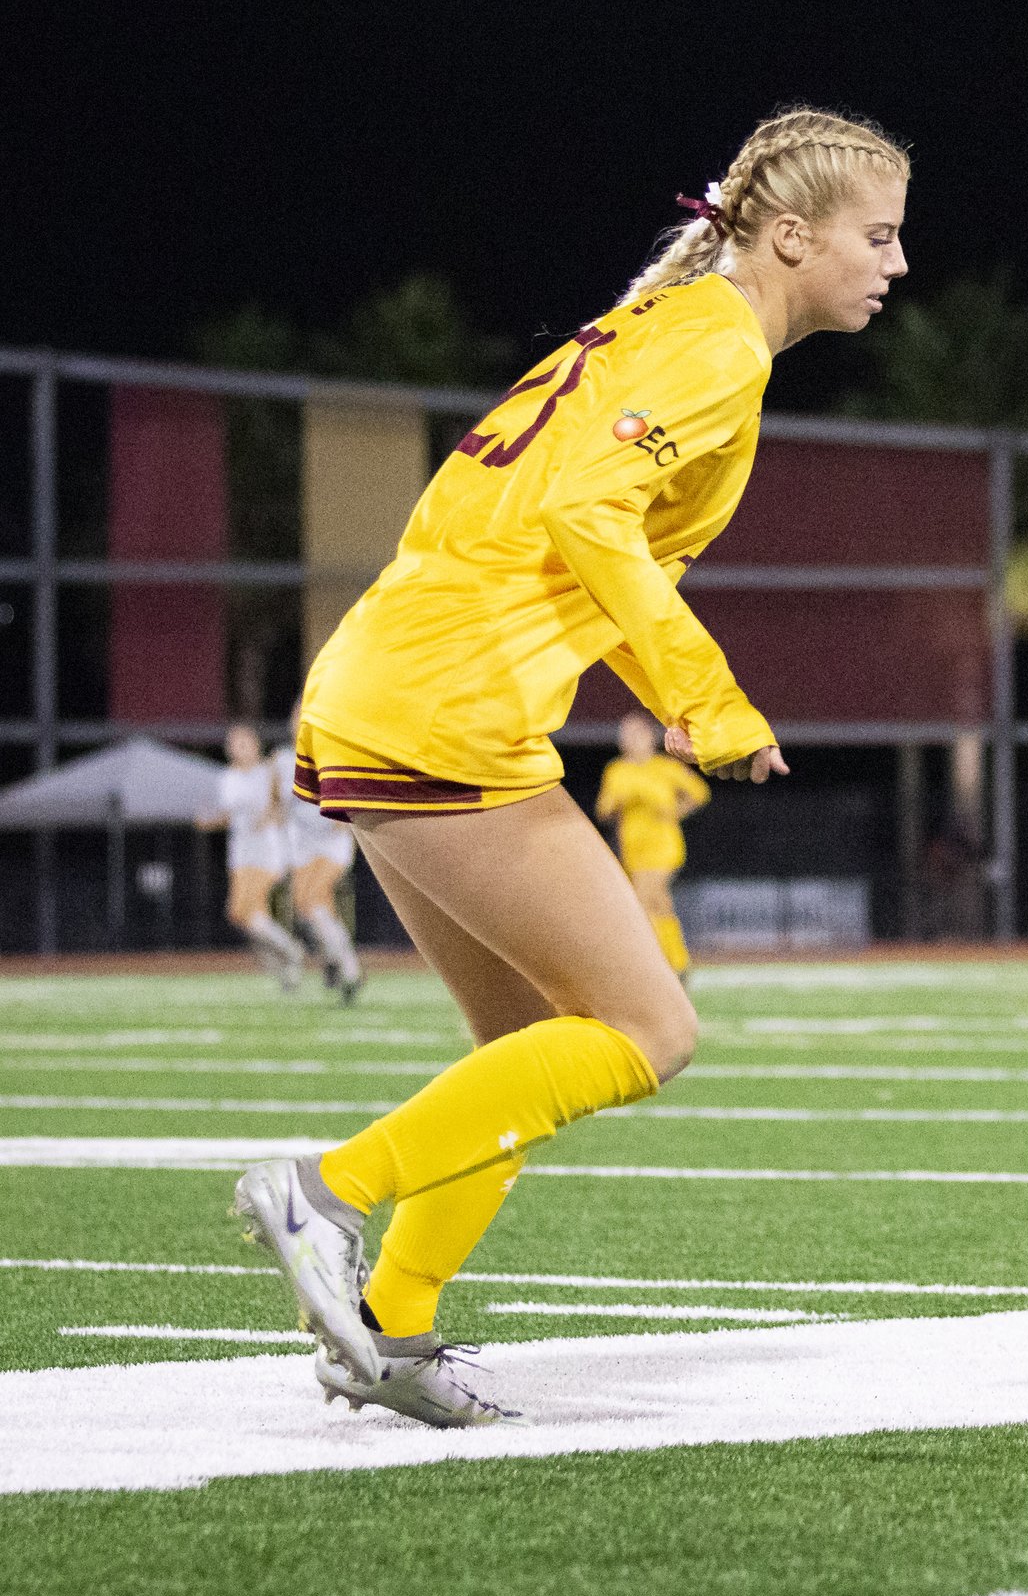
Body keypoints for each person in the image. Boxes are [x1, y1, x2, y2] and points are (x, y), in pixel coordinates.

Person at [231, 105, 911, 1427]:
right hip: (447, 704)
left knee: (531, 1042)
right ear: (788, 235)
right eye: (876, 236)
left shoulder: (665, 326)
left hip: (385, 679)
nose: (894, 263)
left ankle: (392, 1329)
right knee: (653, 1029)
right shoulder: (718, 343)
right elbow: (584, 511)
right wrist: (705, 701)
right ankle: (325, 1190)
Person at [597, 711, 711, 980]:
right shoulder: (617, 770)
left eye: (636, 735)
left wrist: (674, 812)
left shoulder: (665, 768)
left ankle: (660, 965)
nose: (630, 741)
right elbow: (604, 810)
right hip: (632, 850)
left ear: (650, 738)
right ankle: (677, 961)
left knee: (647, 899)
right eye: (625, 736)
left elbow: (699, 794)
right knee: (657, 904)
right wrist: (620, 799)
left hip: (663, 846)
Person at [198, 724, 306, 989]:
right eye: (234, 743)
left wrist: (270, 815)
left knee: (242, 911)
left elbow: (283, 806)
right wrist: (209, 821)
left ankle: (292, 952)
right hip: (240, 851)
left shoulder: (267, 773)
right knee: (245, 915)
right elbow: (230, 815)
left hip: (266, 850)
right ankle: (286, 967)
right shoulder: (228, 778)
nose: (238, 748)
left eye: (244, 742)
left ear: (255, 745)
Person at [282, 703, 365, 1003]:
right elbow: (276, 809)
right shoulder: (280, 761)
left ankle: (349, 967)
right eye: (296, 718)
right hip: (303, 844)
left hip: (332, 839)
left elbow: (347, 791)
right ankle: (336, 960)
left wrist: (345, 820)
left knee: (311, 898)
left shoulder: (329, 754)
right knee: (307, 906)